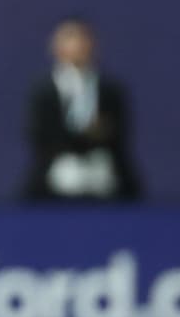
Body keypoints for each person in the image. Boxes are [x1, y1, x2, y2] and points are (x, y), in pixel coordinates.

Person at [23, 18, 141, 202]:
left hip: (104, 173)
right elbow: (40, 137)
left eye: (83, 38)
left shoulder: (110, 91)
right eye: (70, 37)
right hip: (56, 176)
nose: (78, 44)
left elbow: (118, 134)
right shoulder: (43, 93)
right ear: (55, 46)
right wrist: (84, 134)